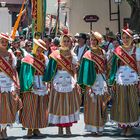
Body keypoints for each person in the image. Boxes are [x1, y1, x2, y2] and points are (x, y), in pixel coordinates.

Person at [43, 34, 81, 135]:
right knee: (58, 104)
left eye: (68, 41)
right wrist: (50, 83)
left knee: (68, 104)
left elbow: (74, 70)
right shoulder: (55, 54)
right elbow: (51, 70)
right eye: (64, 41)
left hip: (69, 80)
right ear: (61, 42)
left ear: (71, 42)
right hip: (58, 81)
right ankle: (59, 128)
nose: (66, 43)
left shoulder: (72, 55)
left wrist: (76, 81)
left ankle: (68, 128)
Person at [78, 31, 110, 135]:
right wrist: (87, 83)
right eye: (91, 40)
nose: (92, 42)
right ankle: (92, 126)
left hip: (101, 79)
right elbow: (85, 70)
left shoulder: (103, 52)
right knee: (92, 103)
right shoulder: (87, 54)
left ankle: (100, 125)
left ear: (98, 41)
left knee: (101, 102)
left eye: (94, 40)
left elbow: (106, 67)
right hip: (91, 81)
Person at [108, 28, 140, 136]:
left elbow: (139, 66)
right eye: (124, 37)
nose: (125, 40)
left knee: (131, 103)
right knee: (121, 102)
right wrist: (112, 81)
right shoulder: (118, 50)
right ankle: (124, 126)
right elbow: (113, 67)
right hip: (120, 79)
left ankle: (130, 127)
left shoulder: (137, 50)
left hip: (133, 80)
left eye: (128, 38)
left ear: (132, 38)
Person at [19, 38, 49, 137]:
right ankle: (29, 129)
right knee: (30, 107)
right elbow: (25, 74)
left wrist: (47, 83)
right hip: (32, 85)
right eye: (38, 48)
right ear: (34, 47)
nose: (40, 51)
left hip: (42, 84)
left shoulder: (45, 58)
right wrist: (30, 84)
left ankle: (36, 128)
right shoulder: (28, 59)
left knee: (40, 107)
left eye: (41, 49)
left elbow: (47, 71)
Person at [0, 33, 22, 139]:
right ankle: (1, 131)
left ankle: (4, 129)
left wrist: (17, 83)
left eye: (5, 42)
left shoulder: (10, 55)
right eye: (2, 41)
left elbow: (14, 71)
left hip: (8, 83)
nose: (4, 43)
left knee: (8, 107)